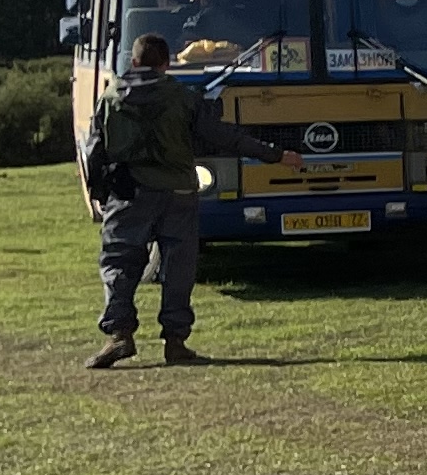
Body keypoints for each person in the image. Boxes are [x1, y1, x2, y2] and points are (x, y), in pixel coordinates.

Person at [79, 34, 292, 368]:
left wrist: (100, 193)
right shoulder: (183, 98)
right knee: (178, 267)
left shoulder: (109, 97)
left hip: (129, 193)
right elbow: (223, 137)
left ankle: (120, 335)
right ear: (167, 63)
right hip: (178, 193)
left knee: (119, 262)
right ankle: (175, 342)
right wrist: (275, 155)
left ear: (133, 62)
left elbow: (93, 150)